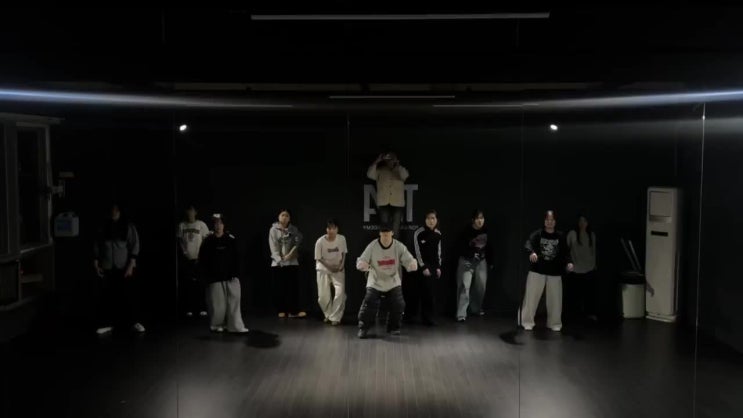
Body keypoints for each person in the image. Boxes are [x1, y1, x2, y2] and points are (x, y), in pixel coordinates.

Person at [356, 224, 418, 338]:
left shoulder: (399, 246)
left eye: (388, 233)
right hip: (375, 280)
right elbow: (362, 260)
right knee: (369, 301)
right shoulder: (373, 245)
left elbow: (409, 259)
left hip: (392, 280)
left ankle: (393, 327)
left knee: (399, 303)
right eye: (383, 233)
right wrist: (362, 264)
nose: (385, 236)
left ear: (392, 233)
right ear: (380, 233)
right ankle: (363, 328)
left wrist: (411, 264)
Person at [93, 203, 144, 335]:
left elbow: (135, 244)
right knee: (108, 296)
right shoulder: (103, 226)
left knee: (128, 295)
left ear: (120, 212)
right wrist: (96, 261)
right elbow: (97, 244)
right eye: (112, 210)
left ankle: (133, 322)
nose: (114, 213)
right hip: (107, 266)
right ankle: (107, 323)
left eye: (116, 210)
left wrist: (131, 264)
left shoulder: (128, 226)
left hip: (124, 266)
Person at [520, 210, 574, 332]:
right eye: (547, 220)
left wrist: (569, 262)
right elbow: (528, 244)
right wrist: (532, 252)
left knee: (555, 299)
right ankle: (527, 321)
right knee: (531, 297)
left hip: (554, 271)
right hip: (537, 270)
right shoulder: (537, 234)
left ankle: (554, 323)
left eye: (552, 220)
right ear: (544, 221)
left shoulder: (560, 236)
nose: (550, 222)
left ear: (555, 221)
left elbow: (566, 252)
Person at [198, 214, 248, 333]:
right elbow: (203, 260)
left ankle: (235, 326)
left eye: (220, 223)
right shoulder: (208, 241)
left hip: (231, 277)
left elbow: (237, 257)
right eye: (216, 223)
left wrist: (236, 273)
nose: (218, 225)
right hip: (214, 278)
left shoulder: (231, 239)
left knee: (234, 303)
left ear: (224, 225)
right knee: (218, 305)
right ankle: (216, 325)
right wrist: (206, 276)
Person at [455, 210, 493, 322]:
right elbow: (459, 247)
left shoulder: (486, 231)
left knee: (481, 286)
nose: (480, 221)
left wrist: (491, 262)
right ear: (473, 220)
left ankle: (475, 308)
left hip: (481, 262)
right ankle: (461, 314)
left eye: (482, 218)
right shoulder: (466, 231)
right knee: (464, 286)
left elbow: (490, 247)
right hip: (466, 261)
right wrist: (470, 254)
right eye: (477, 218)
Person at [269, 209, 306, 318]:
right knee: (280, 288)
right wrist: (280, 259)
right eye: (282, 215)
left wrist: (290, 255)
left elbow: (298, 241)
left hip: (292, 262)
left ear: (289, 218)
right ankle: (281, 309)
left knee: (292, 288)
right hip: (278, 263)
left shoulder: (294, 229)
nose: (284, 217)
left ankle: (293, 311)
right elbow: (273, 246)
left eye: (287, 216)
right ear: (278, 217)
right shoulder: (273, 229)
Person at [409, 210, 442, 325]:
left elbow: (438, 252)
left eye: (433, 218)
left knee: (430, 292)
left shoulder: (438, 233)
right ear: (425, 220)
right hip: (420, 265)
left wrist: (438, 267)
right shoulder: (419, 233)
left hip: (433, 266)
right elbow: (416, 251)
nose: (431, 221)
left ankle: (428, 318)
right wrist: (423, 267)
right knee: (417, 292)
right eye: (428, 218)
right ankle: (412, 316)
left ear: (436, 220)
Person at [176, 205, 209, 318]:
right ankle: (189, 308)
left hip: (199, 259)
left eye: (192, 211)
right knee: (188, 285)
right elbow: (180, 241)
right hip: (187, 260)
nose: (190, 213)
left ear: (195, 212)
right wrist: (184, 253)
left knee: (200, 284)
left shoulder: (201, 224)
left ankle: (202, 308)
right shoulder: (182, 225)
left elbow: (205, 240)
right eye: (188, 211)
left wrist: (201, 255)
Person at [367, 151, 409, 238]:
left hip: (398, 203)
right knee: (384, 227)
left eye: (391, 159)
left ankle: (395, 245)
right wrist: (377, 161)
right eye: (388, 159)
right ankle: (385, 244)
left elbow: (405, 176)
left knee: (396, 227)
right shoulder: (380, 169)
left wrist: (398, 164)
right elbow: (370, 175)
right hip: (383, 202)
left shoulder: (400, 170)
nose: (390, 161)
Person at [314, 218, 348, 325]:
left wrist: (342, 265)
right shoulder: (320, 241)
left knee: (340, 293)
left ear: (337, 229)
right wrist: (330, 267)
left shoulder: (342, 239)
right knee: (323, 296)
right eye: (329, 228)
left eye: (333, 228)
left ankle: (335, 317)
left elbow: (344, 253)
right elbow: (318, 258)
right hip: (323, 269)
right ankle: (328, 315)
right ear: (326, 229)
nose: (331, 230)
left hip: (338, 269)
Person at [566, 214, 598, 322]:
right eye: (580, 221)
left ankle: (590, 314)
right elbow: (566, 249)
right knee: (574, 294)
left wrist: (594, 265)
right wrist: (568, 264)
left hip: (589, 268)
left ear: (588, 223)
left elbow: (593, 251)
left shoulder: (591, 235)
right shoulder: (572, 234)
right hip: (576, 269)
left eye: (584, 221)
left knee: (589, 294)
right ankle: (573, 315)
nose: (582, 223)